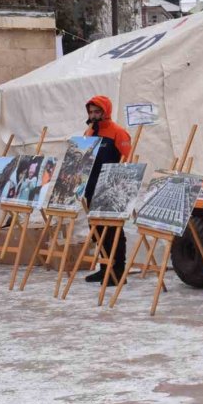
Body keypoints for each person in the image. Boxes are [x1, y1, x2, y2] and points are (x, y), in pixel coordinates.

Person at [83, 96, 132, 286]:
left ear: (105, 112)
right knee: (97, 230)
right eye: (91, 112)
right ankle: (104, 268)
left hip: (110, 189)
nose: (94, 116)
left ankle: (118, 271)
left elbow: (129, 159)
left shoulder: (118, 133)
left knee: (113, 231)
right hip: (91, 188)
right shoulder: (89, 132)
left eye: (97, 112)